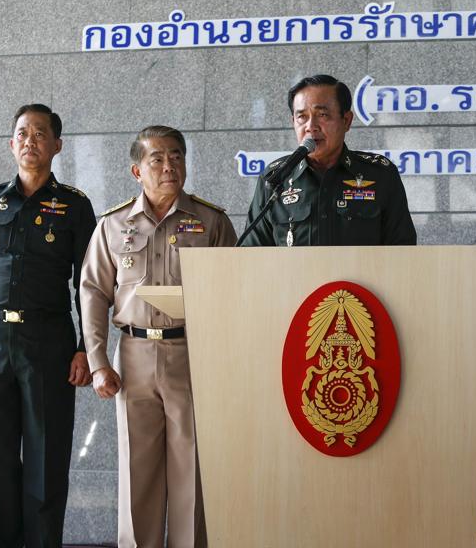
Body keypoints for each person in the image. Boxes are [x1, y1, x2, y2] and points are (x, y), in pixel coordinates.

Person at [80, 126, 236, 547]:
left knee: (191, 470)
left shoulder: (211, 221)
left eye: (177, 157)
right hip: (133, 356)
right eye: (157, 159)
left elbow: (234, 292)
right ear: (136, 169)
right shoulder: (113, 225)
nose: (170, 166)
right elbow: (93, 292)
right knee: (138, 473)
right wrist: (98, 363)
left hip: (192, 355)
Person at [0, 104, 95, 546]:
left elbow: (89, 282)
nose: (30, 141)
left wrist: (86, 347)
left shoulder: (73, 205)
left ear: (56, 145)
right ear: (11, 144)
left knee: (46, 461)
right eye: (22, 133)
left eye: (40, 133)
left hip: (47, 341)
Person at [238, 74, 416, 246]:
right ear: (293, 121)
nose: (310, 127)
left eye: (322, 115)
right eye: (302, 117)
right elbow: (252, 255)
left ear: (346, 121)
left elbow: (402, 251)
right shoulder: (276, 178)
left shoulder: (380, 175)